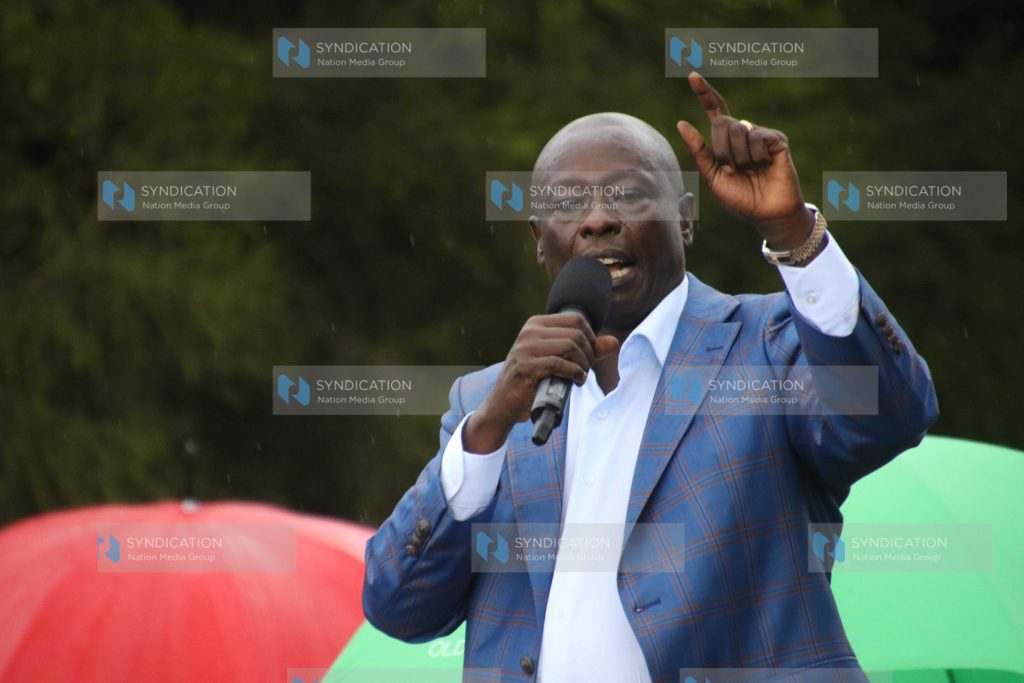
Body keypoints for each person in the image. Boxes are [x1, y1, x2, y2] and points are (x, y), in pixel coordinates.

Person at [362, 73, 938, 683]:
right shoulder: (487, 404)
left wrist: (794, 231)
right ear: (539, 240)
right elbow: (399, 607)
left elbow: (892, 414)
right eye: (567, 204)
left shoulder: (766, 344)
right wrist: (485, 434)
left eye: (629, 195)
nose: (597, 221)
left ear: (685, 219)